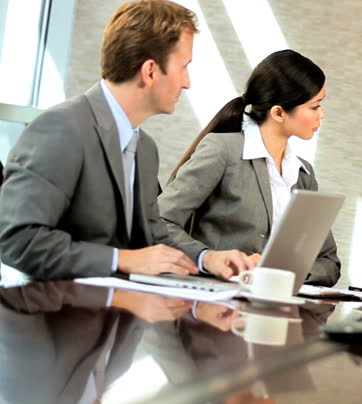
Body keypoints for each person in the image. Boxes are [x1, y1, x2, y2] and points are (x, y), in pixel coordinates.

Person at [0, 0, 251, 281]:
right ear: (150, 71)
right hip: (54, 315)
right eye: (184, 67)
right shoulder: (62, 128)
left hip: (115, 313)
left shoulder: (144, 148)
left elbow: (154, 238)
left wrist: (207, 258)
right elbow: (17, 238)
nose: (187, 82)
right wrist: (123, 259)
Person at [158, 49, 340, 286]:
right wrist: (207, 258)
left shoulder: (303, 173)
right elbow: (160, 221)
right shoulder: (223, 150)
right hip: (212, 305)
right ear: (279, 112)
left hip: (274, 308)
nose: (322, 115)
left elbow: (329, 264)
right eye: (315, 106)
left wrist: (283, 272)